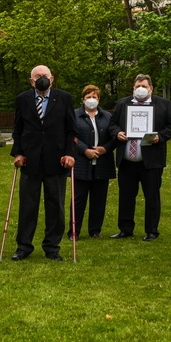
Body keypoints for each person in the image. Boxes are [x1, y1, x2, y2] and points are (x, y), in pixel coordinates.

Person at [9, 65, 78, 261]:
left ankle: (52, 247)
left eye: (45, 76)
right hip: (30, 161)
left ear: (52, 78)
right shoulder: (23, 99)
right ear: (31, 81)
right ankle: (23, 246)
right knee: (27, 206)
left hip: (57, 161)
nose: (41, 79)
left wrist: (70, 154)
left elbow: (71, 130)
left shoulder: (64, 98)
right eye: (37, 76)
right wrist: (18, 153)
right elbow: (18, 129)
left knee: (55, 206)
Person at [108, 74, 171, 241]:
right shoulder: (123, 103)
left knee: (152, 196)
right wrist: (117, 133)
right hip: (127, 160)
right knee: (126, 196)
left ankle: (152, 230)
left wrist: (160, 137)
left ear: (151, 88)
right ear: (133, 88)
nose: (140, 89)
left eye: (144, 86)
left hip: (151, 160)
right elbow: (112, 124)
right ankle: (125, 229)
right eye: (137, 86)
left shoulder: (163, 104)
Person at [72, 85, 116, 239]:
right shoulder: (74, 116)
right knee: (78, 199)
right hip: (81, 163)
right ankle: (74, 231)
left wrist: (104, 149)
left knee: (99, 200)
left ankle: (95, 230)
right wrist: (85, 150)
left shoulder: (107, 117)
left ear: (99, 99)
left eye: (95, 97)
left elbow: (114, 137)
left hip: (102, 163)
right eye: (88, 96)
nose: (92, 99)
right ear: (83, 99)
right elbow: (71, 136)